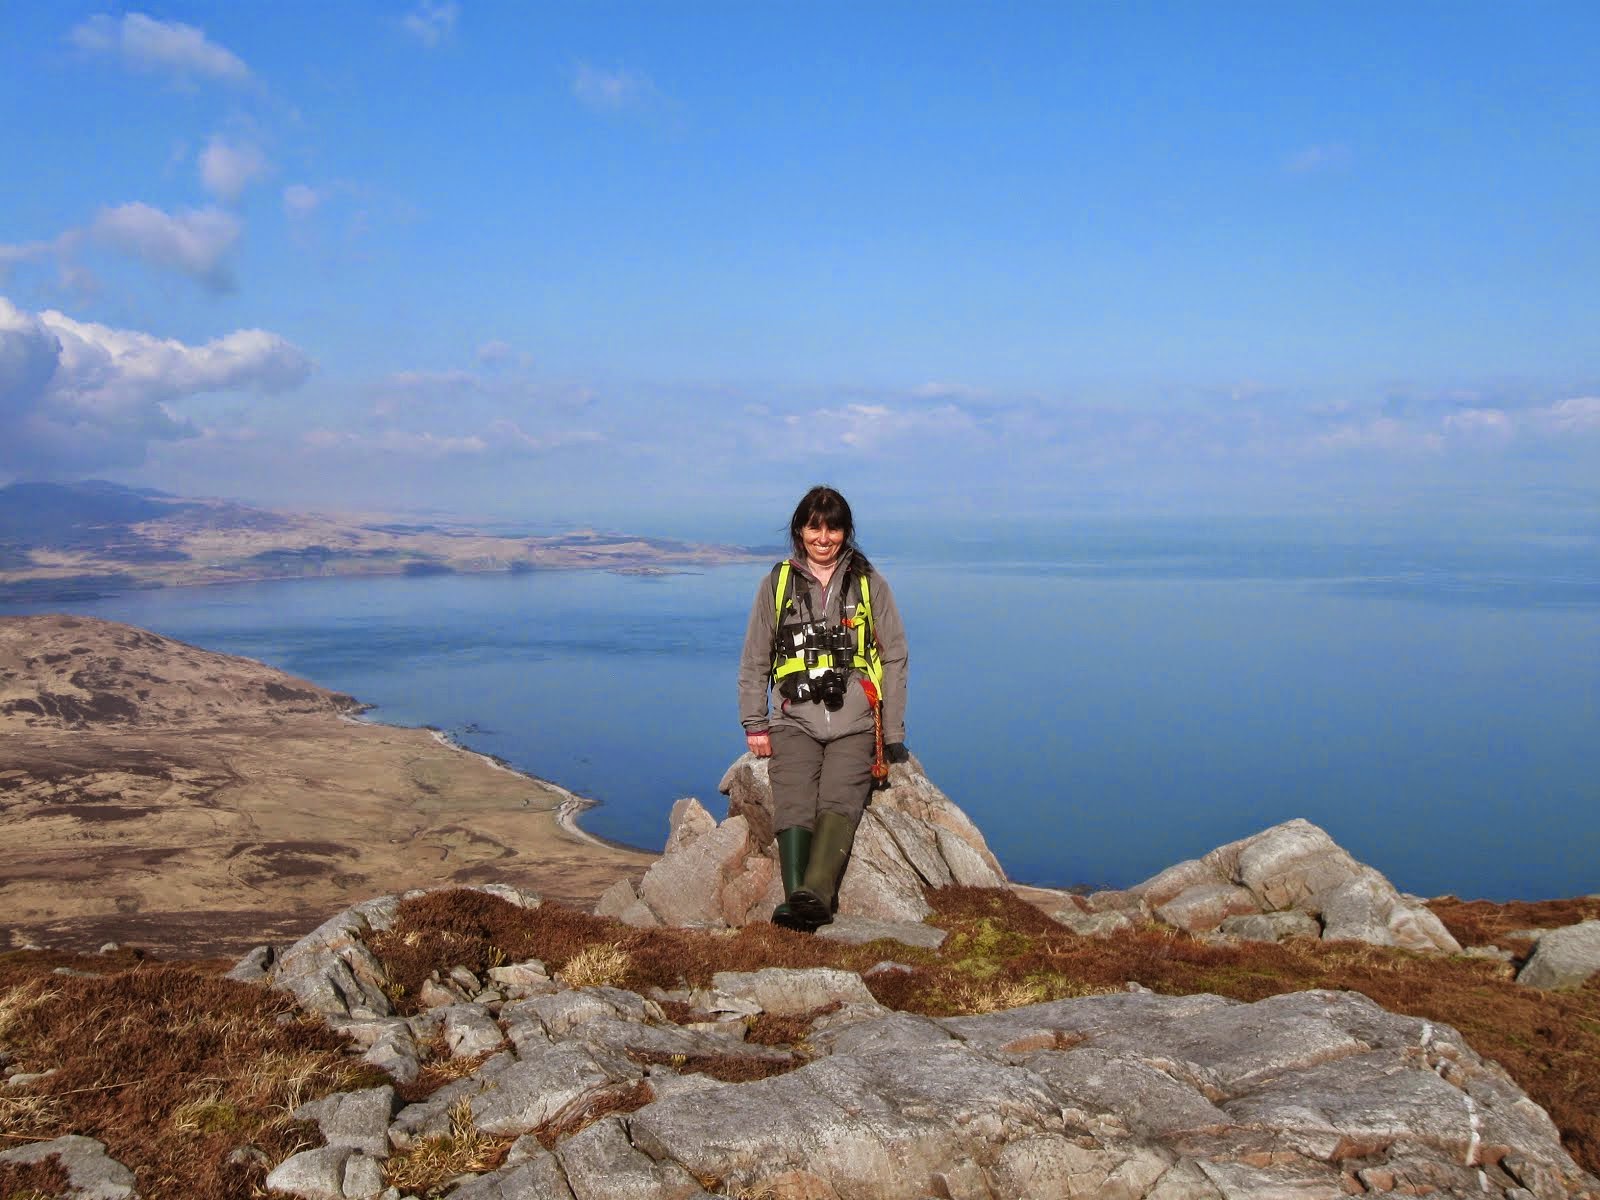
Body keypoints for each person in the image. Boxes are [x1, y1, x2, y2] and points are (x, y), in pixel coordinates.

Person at [738, 485, 909, 931]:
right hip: (795, 719)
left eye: (833, 527)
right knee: (793, 795)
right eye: (815, 526)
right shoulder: (777, 583)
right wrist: (755, 723)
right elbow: (756, 655)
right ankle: (800, 898)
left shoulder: (869, 583)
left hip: (855, 723)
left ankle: (814, 892)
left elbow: (895, 655)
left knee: (840, 797)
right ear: (800, 530)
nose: (824, 537)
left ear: (846, 532)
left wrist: (892, 734)